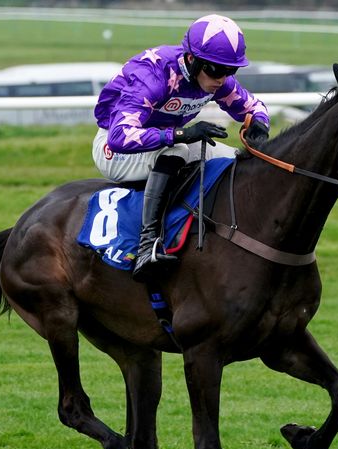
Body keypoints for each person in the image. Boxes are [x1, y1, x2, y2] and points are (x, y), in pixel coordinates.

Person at [92, 14, 271, 282]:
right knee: (178, 151)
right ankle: (147, 245)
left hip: (162, 142)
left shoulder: (213, 76)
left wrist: (259, 124)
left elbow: (253, 107)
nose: (222, 79)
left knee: (237, 161)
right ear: (192, 59)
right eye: (216, 70)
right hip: (115, 150)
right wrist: (180, 133)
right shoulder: (152, 76)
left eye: (230, 71)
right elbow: (120, 136)